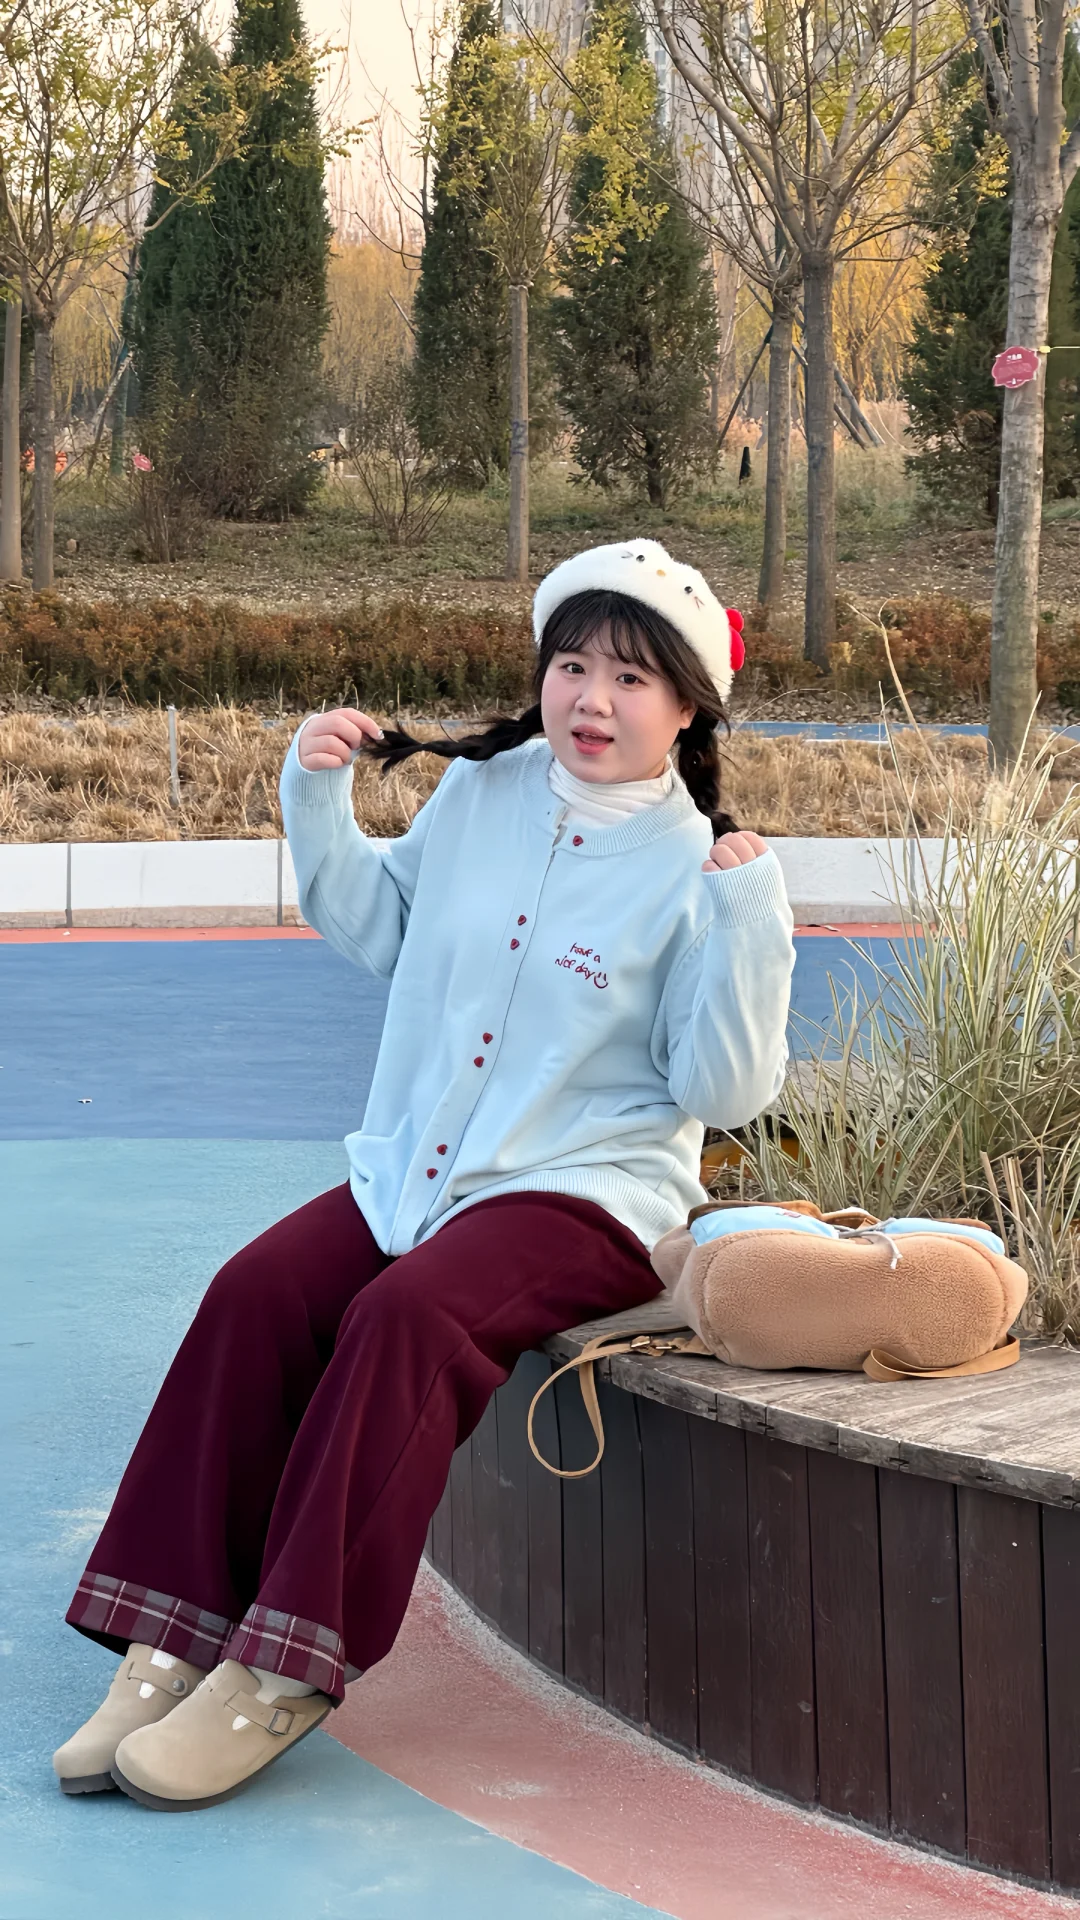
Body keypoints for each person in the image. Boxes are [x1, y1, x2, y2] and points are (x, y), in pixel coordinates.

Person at [54, 538, 796, 1812]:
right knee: (254, 1293)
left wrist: (751, 919)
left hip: (586, 1192)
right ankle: (172, 1634)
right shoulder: (483, 792)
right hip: (423, 1174)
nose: (592, 700)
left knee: (405, 1317)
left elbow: (722, 1095)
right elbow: (381, 929)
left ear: (687, 706)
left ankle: (284, 1665)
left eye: (630, 678)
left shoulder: (702, 871)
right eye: (572, 666)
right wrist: (316, 798)